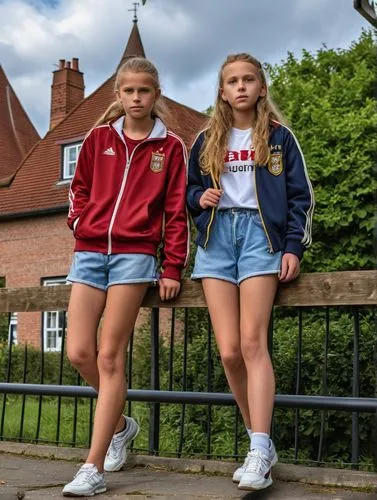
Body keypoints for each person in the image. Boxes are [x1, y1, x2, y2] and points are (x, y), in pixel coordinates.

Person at [62, 56, 189, 497]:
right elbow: (78, 188)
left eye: (145, 91)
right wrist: (80, 223)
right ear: (118, 94)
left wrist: (171, 266)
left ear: (157, 95)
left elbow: (176, 212)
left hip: (135, 257)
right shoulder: (98, 139)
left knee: (110, 357)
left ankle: (92, 467)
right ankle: (120, 423)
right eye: (129, 91)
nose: (136, 98)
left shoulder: (170, 147)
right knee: (79, 351)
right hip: (90, 252)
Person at [187, 53, 314, 491]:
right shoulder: (205, 140)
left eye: (249, 79)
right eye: (232, 81)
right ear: (222, 91)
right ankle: (258, 441)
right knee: (228, 352)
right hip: (217, 240)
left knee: (250, 342)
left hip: (261, 237)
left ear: (261, 87)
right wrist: (198, 200)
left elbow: (300, 197)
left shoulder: (280, 138)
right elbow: (188, 190)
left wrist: (293, 246)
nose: (241, 87)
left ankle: (258, 448)